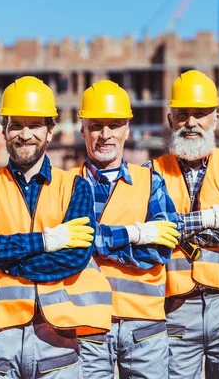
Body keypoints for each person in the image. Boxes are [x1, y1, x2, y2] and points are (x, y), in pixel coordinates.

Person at [0, 76, 112, 378]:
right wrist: (46, 240)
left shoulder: (75, 187)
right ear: (4, 130)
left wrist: (0, 254)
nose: (25, 134)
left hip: (56, 337)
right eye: (16, 125)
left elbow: (73, 258)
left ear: (50, 131)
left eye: (35, 125)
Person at [147, 70, 219, 379]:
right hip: (175, 311)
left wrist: (177, 226)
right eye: (182, 115)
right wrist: (215, 216)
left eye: (200, 114)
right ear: (171, 121)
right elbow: (152, 231)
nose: (191, 122)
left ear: (216, 119)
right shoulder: (150, 173)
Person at [71, 80, 179, 378]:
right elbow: (70, 246)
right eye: (96, 125)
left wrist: (95, 245)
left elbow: (160, 249)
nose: (105, 134)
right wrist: (136, 233)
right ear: (83, 129)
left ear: (127, 130)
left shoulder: (150, 182)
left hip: (143, 327)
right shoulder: (64, 184)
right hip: (85, 325)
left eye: (114, 125)